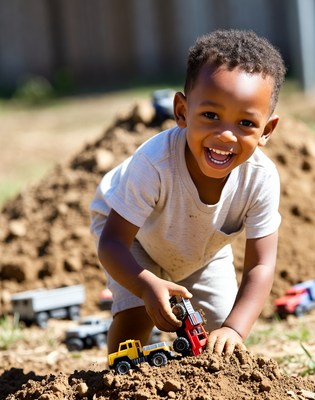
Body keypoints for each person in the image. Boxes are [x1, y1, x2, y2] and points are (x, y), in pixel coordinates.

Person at [90, 29, 286, 355]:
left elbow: (260, 266)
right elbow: (112, 243)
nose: (226, 135)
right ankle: (119, 381)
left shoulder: (261, 180)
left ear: (266, 130)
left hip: (202, 248)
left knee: (219, 334)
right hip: (132, 238)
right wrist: (145, 284)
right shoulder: (154, 164)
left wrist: (234, 328)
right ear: (182, 112)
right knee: (136, 320)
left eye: (246, 124)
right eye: (210, 116)